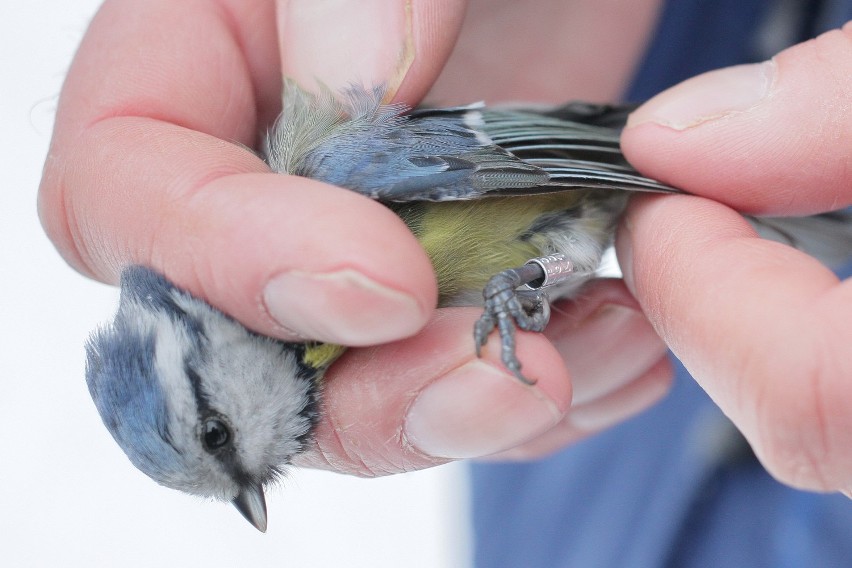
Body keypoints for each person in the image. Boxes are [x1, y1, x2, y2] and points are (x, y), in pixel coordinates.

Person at [39, 0, 852, 565]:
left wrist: (621, 169)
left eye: (223, 440)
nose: (254, 472)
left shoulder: (321, 203)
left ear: (209, 362)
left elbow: (533, 146)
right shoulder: (327, 335)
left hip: (599, 171)